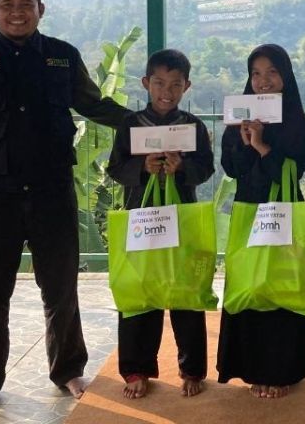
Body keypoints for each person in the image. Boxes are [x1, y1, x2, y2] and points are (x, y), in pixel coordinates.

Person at [0, 0, 129, 415]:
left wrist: (149, 123)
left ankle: (68, 370)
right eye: (7, 5)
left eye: (26, 4)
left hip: (53, 192)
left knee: (61, 289)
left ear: (40, 9)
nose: (17, 13)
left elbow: (95, 105)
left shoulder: (63, 57)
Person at [216, 44, 305, 398]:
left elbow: (296, 170)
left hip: (284, 209)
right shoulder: (241, 114)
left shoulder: (293, 117)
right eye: (256, 74)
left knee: (283, 284)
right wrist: (244, 141)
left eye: (272, 72)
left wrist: (263, 145)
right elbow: (231, 168)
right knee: (250, 283)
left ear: (285, 76)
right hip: (249, 207)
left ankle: (283, 371)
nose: (263, 80)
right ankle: (253, 369)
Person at [106, 48, 215, 400]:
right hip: (142, 215)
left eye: (175, 84)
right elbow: (114, 168)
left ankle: (193, 369)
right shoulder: (130, 124)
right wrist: (142, 168)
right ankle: (136, 369)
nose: (166, 91)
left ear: (187, 86)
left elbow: (206, 168)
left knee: (187, 290)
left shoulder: (193, 126)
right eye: (158, 83)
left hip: (182, 218)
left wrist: (182, 168)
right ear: (145, 83)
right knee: (140, 291)